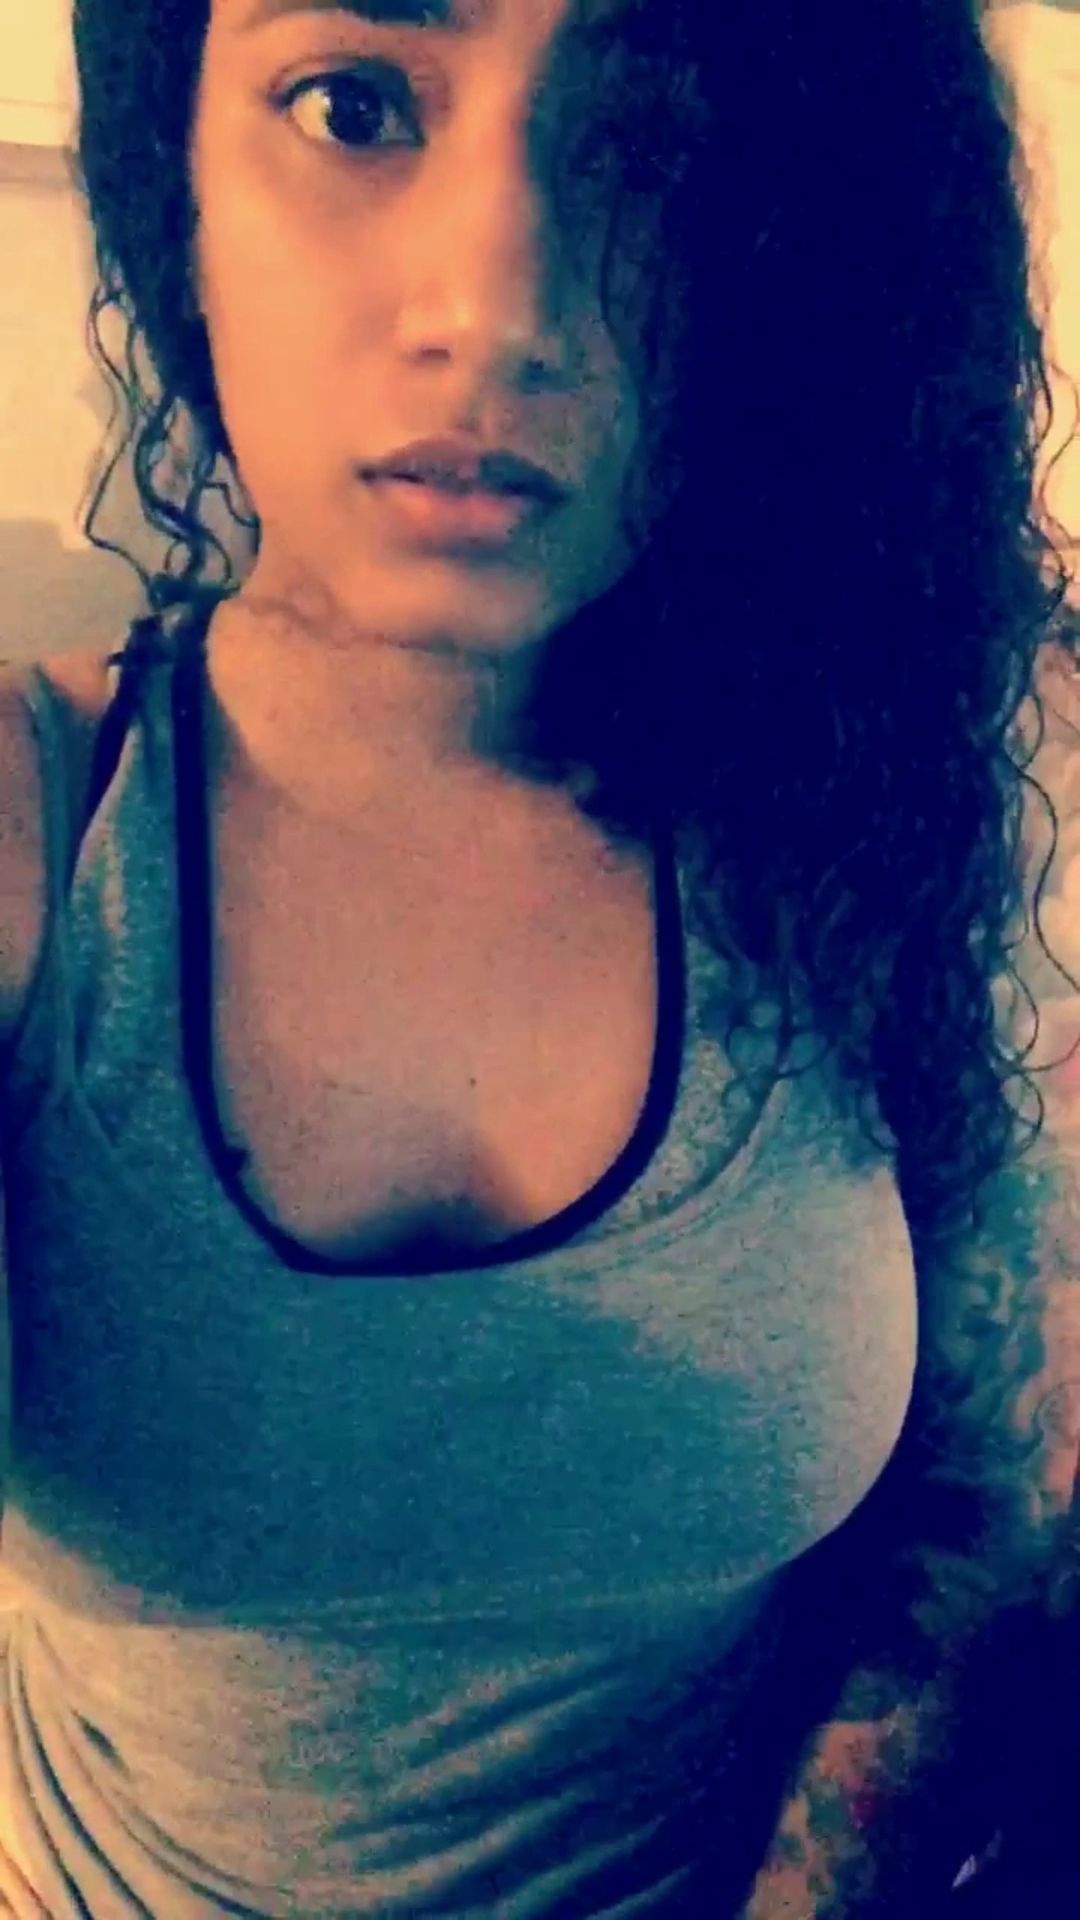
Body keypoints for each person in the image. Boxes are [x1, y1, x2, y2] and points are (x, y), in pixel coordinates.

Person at [0, 0, 1077, 1913]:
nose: (495, 308)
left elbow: (981, 1503)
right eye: (352, 103)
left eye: (645, 144)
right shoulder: (42, 823)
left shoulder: (886, 792)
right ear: (180, 177)